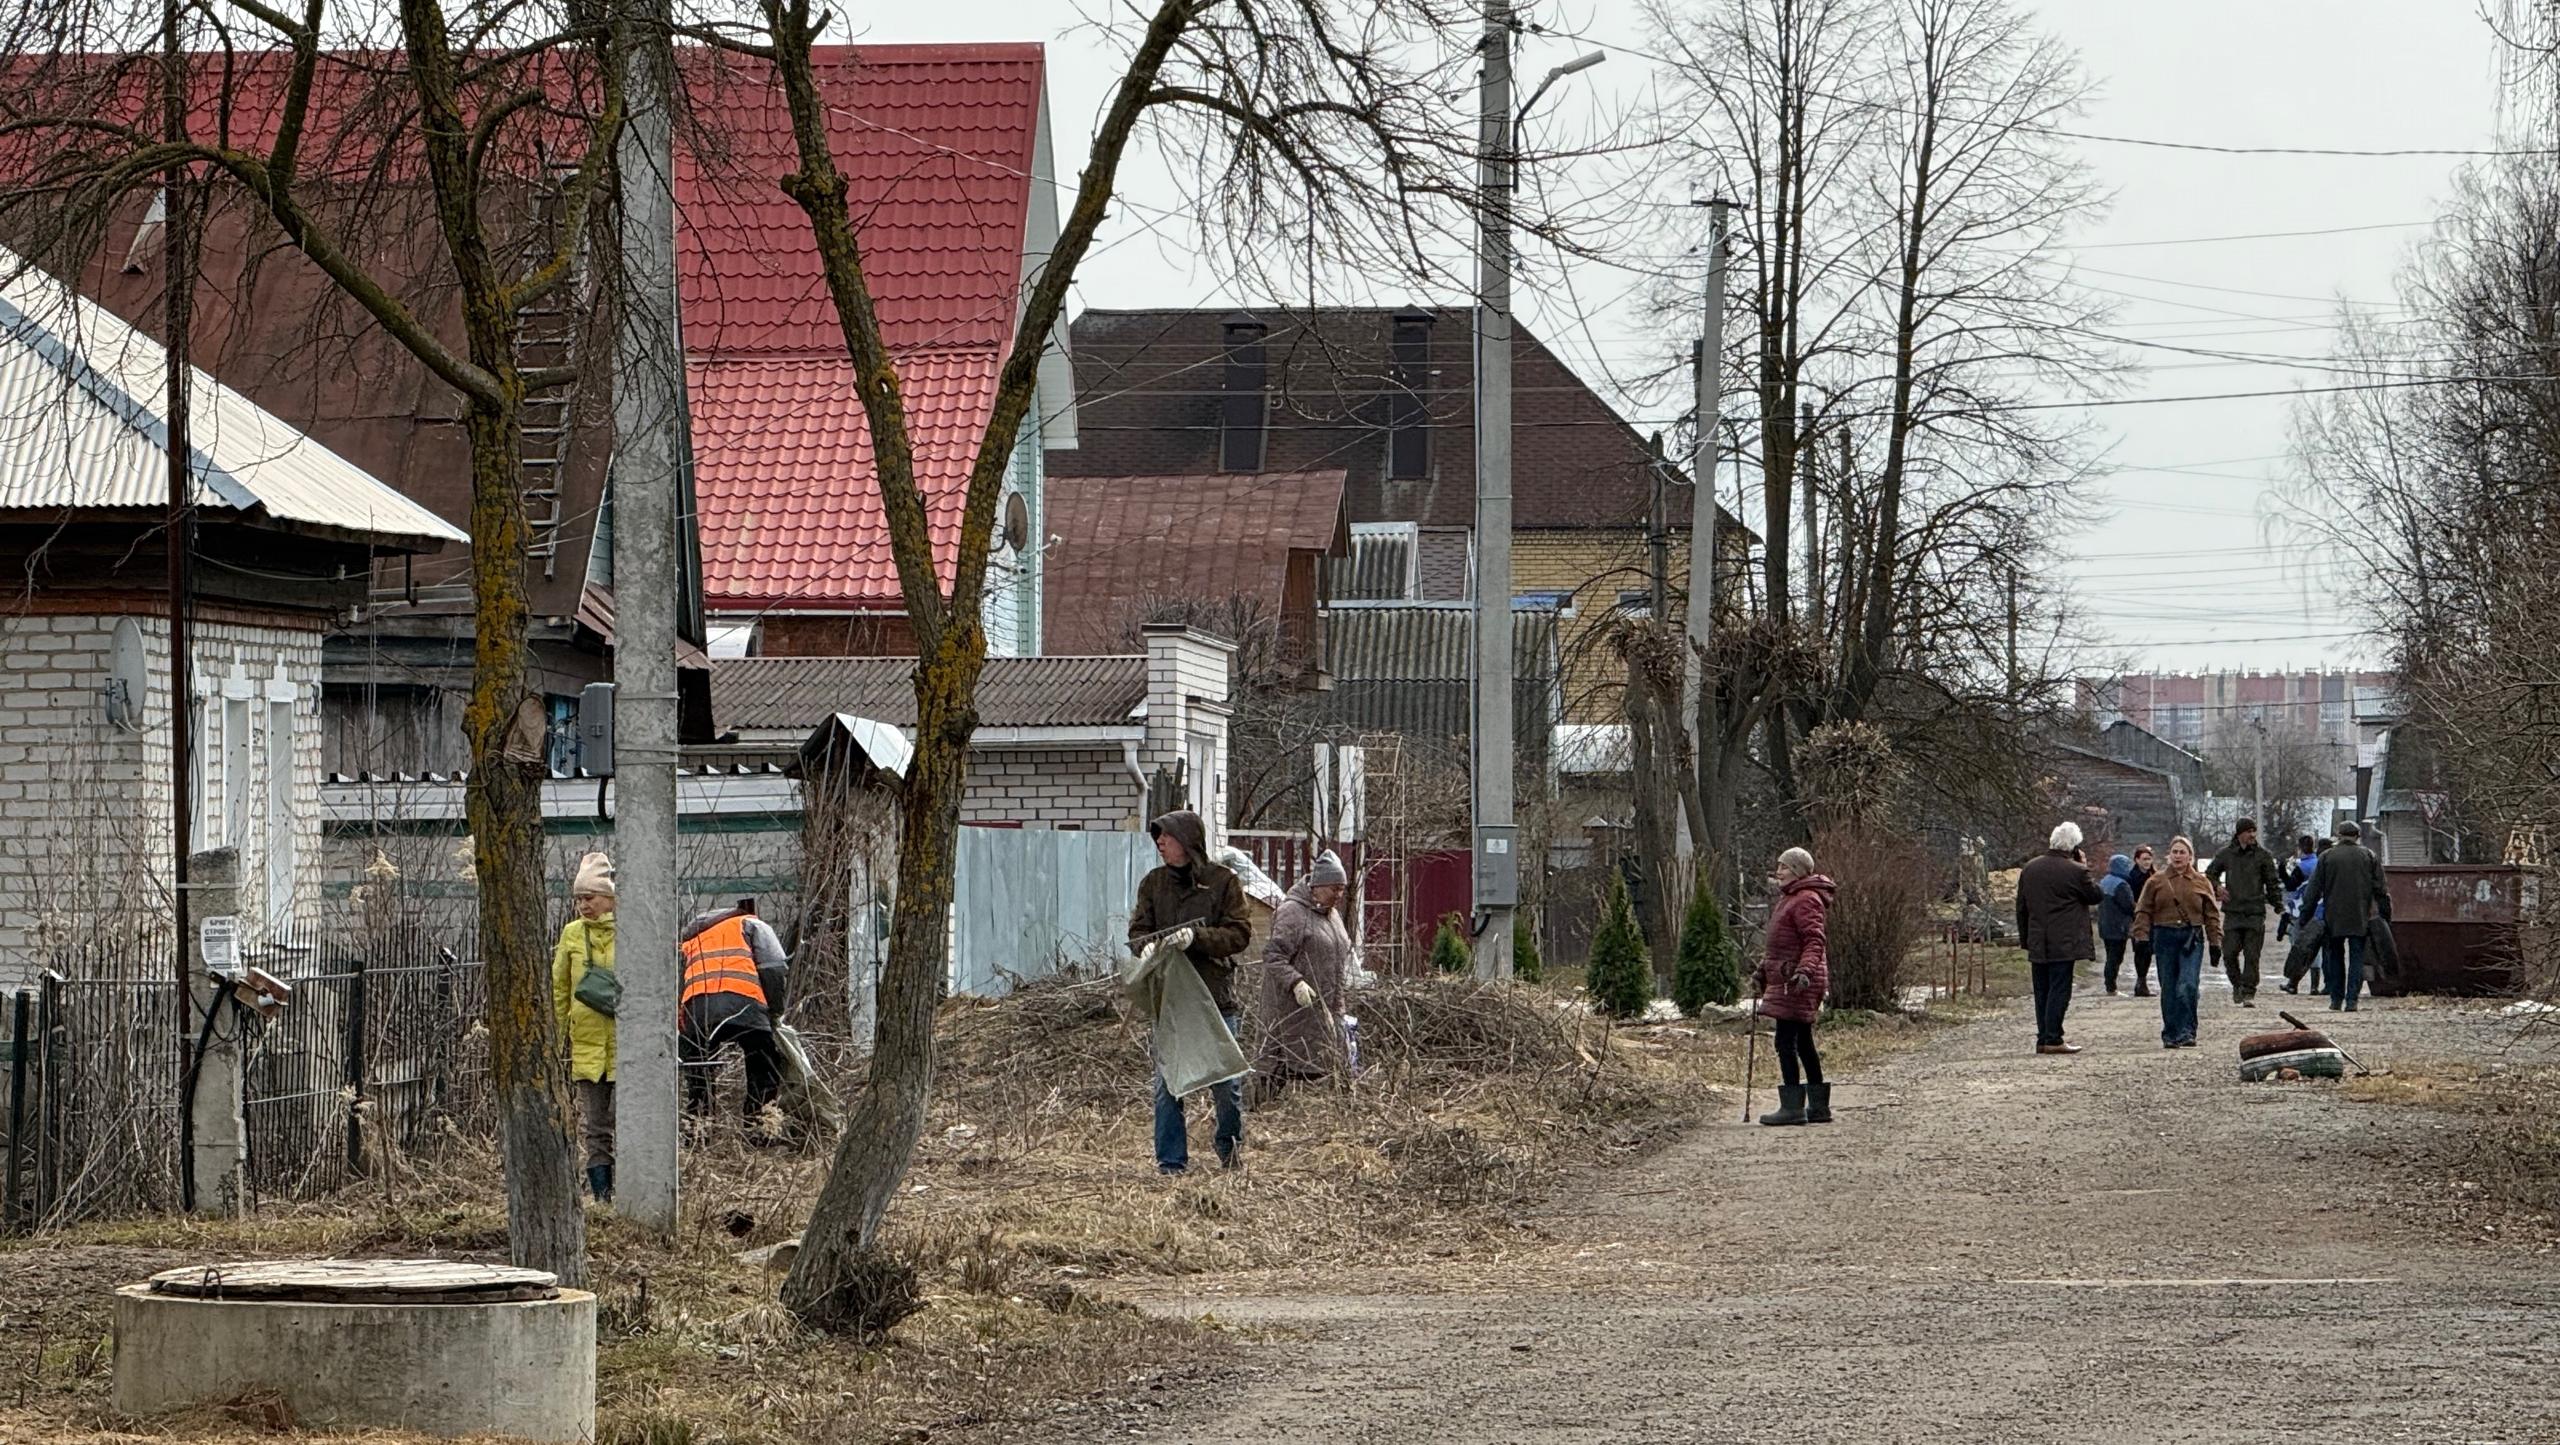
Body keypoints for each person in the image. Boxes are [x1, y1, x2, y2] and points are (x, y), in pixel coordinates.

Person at [1129, 810, 1253, 1173]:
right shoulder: (1154, 883)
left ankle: (1229, 1153)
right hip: (1172, 999)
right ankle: (1171, 1163)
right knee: (1168, 1085)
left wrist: (1197, 938)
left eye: (1166, 836)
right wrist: (1145, 947)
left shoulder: (1223, 882)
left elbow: (1239, 934)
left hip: (1215, 998)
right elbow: (1139, 930)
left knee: (1226, 1083)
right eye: (1158, 837)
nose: (1160, 843)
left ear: (1187, 840)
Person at [677, 900, 789, 1135]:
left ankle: (698, 1130)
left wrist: (684, 1021)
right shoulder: (752, 925)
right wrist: (775, 1012)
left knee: (699, 1071)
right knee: (763, 1063)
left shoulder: (692, 937)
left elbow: (679, 980)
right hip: (746, 1005)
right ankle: (759, 1129)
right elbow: (774, 968)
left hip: (698, 1010)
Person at [1255, 850, 1354, 1096]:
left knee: (1329, 1070)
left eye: (1342, 889)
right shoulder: (1292, 912)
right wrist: (1295, 982)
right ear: (1317, 886)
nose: (1339, 895)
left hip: (1327, 1009)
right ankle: (1262, 1114)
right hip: (1291, 1012)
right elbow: (1273, 956)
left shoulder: (1332, 915)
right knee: (1282, 1069)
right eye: (1334, 889)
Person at [550, 852, 617, 1202]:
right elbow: (560, 990)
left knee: (631, 1126)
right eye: (578, 899)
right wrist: (555, 1040)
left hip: (626, 1049)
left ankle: (634, 1194)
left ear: (610, 897)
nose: (582, 905)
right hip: (587, 1049)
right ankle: (603, 1197)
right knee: (595, 1129)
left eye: (589, 897)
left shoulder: (632, 932)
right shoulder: (572, 935)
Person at [1755, 847, 1836, 1126]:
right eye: (1779, 866)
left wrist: (1804, 972)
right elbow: (1782, 944)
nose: (1779, 871)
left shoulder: (1805, 899)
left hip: (1797, 980)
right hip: (1789, 977)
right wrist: (1763, 970)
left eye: (1785, 867)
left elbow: (1814, 940)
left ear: (1799, 871)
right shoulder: (1790, 898)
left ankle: (1792, 1108)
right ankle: (1817, 1107)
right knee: (1803, 1041)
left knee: (1785, 1042)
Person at [2016, 822, 2102, 1056]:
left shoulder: (2030, 869)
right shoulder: (2076, 871)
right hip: (2064, 940)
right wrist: (2083, 866)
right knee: (2059, 988)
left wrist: (2025, 938)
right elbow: (2095, 895)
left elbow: (2021, 907)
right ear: (2073, 846)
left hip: (2037, 938)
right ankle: (2054, 1037)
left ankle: (2043, 1037)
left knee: (2041, 989)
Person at [2133, 836, 2221, 1049]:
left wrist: (2215, 941)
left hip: (2192, 938)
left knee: (2188, 985)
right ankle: (2171, 1033)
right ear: (2169, 855)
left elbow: (2211, 914)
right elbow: (2143, 910)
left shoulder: (2201, 881)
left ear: (2190, 856)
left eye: (2182, 852)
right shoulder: (2156, 881)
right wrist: (2142, 937)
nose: (2178, 856)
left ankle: (2187, 1031)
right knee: (2169, 987)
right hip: (2164, 937)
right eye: (2175, 852)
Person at [2298, 821, 2392, 1012]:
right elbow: (2381, 890)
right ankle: (2352, 1000)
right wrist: (2385, 917)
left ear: (2338, 835)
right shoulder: (2369, 856)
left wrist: (2305, 918)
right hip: (2360, 916)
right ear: (2357, 835)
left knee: (2335, 957)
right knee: (2357, 957)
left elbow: (2313, 890)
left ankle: (2336, 999)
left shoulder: (2326, 857)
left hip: (2333, 916)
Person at [2206, 819, 2287, 1008]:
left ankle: (2249, 991)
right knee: (2229, 953)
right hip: (2233, 912)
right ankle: (2237, 985)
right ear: (2239, 833)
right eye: (2248, 831)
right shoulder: (2226, 854)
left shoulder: (2263, 856)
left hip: (2255, 913)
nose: (2252, 835)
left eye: (2254, 831)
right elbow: (2210, 874)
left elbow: (2272, 883)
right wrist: (2217, 887)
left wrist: (2278, 905)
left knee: (2252, 955)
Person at [2097, 853, 2140, 994]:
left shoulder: (2104, 881)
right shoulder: (2121, 884)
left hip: (2105, 924)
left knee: (2110, 955)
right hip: (2118, 926)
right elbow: (2128, 906)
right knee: (2115, 957)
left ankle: (2109, 984)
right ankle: (2111, 987)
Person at [2125, 844, 2158, 997]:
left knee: (2149, 950)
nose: (2147, 862)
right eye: (2144, 859)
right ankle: (2141, 982)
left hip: (2153, 918)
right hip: (2138, 917)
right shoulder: (2132, 878)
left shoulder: (2154, 875)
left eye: (2149, 859)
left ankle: (2142, 983)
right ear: (2137, 860)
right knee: (2140, 950)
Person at [2277, 834, 2316, 942]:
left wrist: (2282, 870)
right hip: (2317, 908)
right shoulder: (2319, 863)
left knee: (2298, 942)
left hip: (2300, 908)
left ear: (2300, 848)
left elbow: (2291, 886)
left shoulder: (2302, 867)